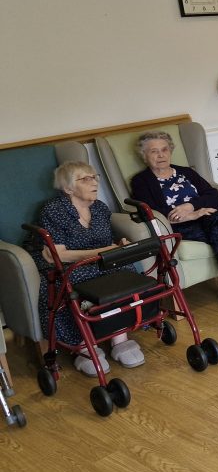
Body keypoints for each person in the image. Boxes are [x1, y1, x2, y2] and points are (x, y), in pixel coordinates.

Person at [130, 131, 218, 310]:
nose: (161, 155)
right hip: (176, 225)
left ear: (170, 151)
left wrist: (190, 207)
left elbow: (212, 195)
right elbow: (150, 210)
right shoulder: (141, 181)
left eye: (164, 149)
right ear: (144, 156)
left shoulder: (185, 172)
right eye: (154, 151)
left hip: (204, 216)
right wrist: (191, 215)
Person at [31, 161, 145, 375]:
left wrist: (119, 245)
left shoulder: (100, 208)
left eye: (95, 177)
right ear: (68, 188)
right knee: (75, 284)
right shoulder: (54, 210)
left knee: (125, 269)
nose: (94, 182)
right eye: (85, 179)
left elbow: (105, 239)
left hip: (97, 259)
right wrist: (101, 253)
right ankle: (84, 346)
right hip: (64, 264)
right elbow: (59, 254)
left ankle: (119, 338)